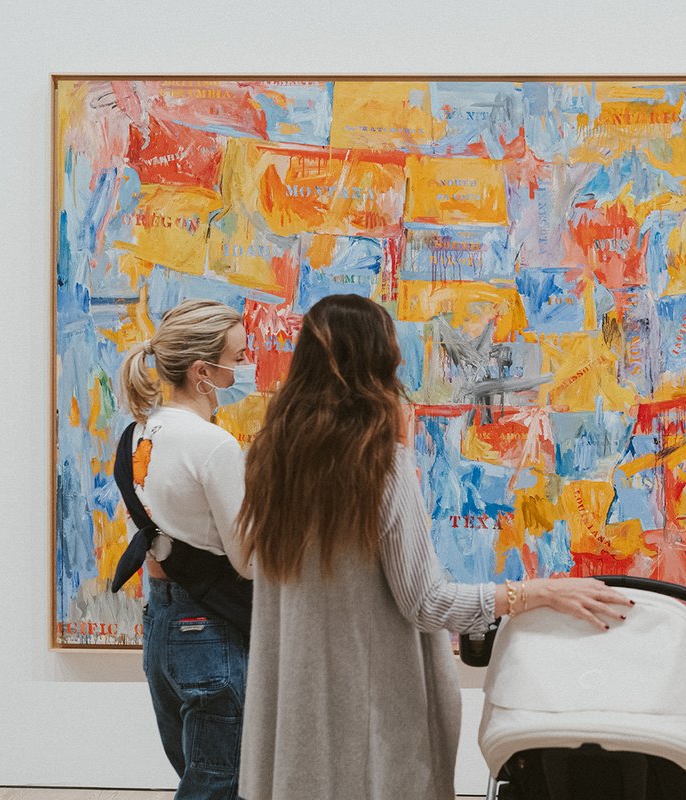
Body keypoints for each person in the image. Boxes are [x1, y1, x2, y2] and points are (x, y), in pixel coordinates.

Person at [235, 294, 633, 800]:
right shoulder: (379, 466)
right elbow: (427, 602)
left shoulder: (268, 463)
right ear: (378, 366)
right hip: (371, 725)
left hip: (296, 722)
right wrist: (535, 594)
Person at [116, 298, 256, 799]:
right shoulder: (212, 445)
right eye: (238, 357)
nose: (246, 366)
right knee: (219, 784)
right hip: (210, 631)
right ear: (203, 372)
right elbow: (248, 560)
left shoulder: (137, 434)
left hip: (163, 625)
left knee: (199, 777)